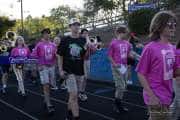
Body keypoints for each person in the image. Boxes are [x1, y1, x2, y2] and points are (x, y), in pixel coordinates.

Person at [136, 11, 179, 120]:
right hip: (156, 95)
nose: (173, 27)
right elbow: (141, 73)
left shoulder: (173, 48)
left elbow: (174, 72)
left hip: (168, 94)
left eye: (175, 25)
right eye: (169, 25)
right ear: (159, 26)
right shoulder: (150, 48)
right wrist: (152, 96)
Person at [58, 18, 87, 120]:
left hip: (79, 70)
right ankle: (76, 117)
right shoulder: (65, 39)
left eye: (78, 24)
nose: (76, 26)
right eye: (74, 25)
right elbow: (60, 55)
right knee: (74, 95)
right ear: (70, 27)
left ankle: (69, 113)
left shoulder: (83, 40)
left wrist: (91, 49)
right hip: (68, 71)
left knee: (73, 95)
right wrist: (61, 70)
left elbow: (84, 56)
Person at [108, 25, 136, 113]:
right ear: (120, 33)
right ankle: (118, 105)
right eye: (125, 32)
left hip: (124, 67)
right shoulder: (113, 43)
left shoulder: (127, 43)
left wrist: (133, 56)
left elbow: (128, 55)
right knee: (120, 86)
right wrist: (115, 64)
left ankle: (117, 104)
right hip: (116, 67)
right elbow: (109, 56)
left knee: (122, 87)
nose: (126, 34)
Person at [31, 28, 57, 114]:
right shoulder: (39, 45)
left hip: (52, 67)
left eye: (48, 33)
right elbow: (33, 55)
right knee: (46, 85)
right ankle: (49, 104)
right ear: (42, 35)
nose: (47, 35)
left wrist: (55, 64)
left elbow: (56, 56)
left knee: (50, 85)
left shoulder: (53, 45)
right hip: (43, 67)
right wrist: (39, 65)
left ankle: (46, 99)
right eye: (45, 33)